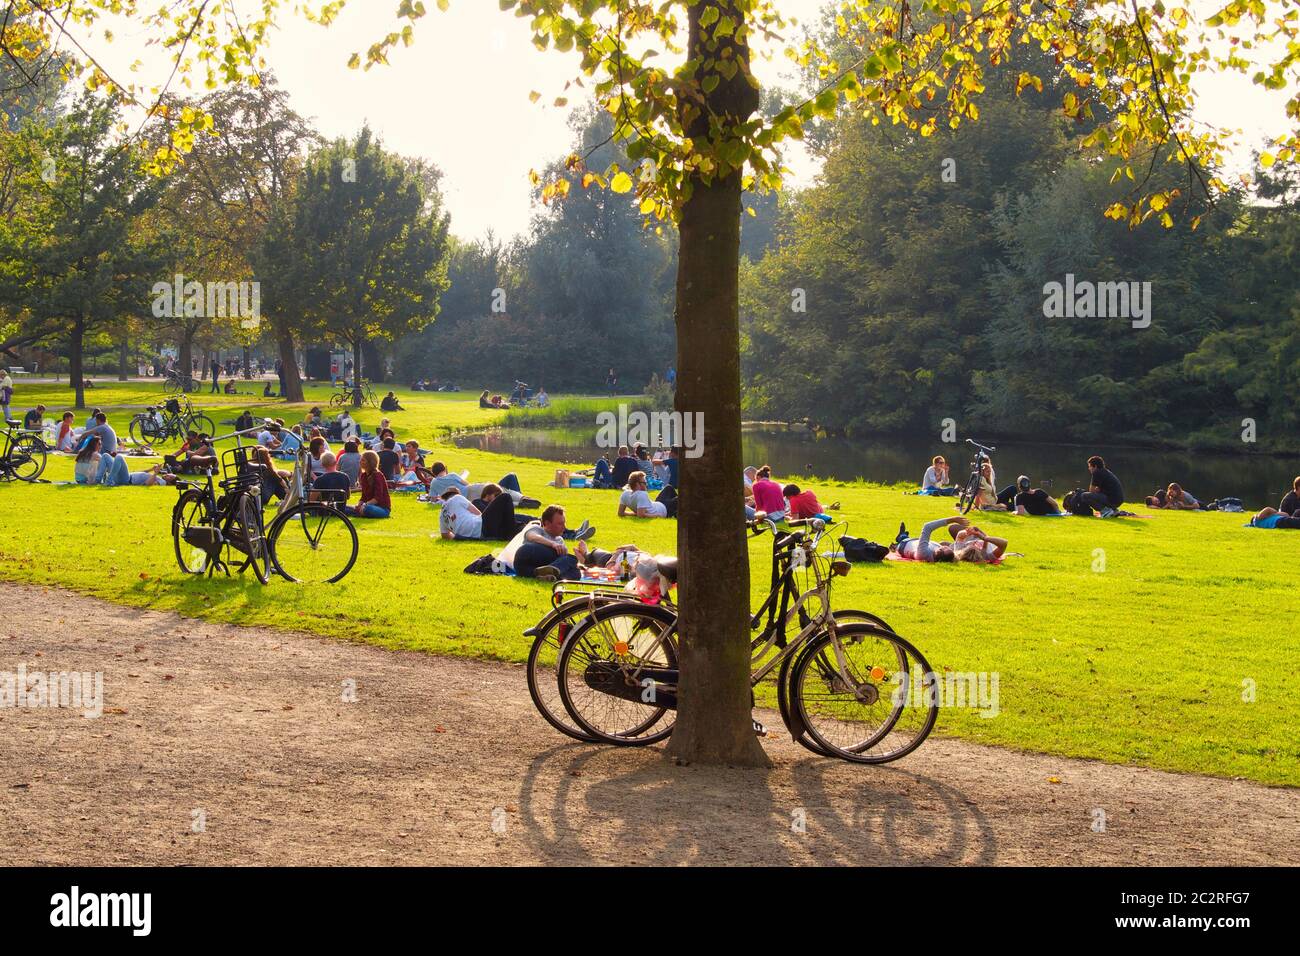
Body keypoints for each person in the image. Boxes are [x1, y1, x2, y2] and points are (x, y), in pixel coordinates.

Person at [499, 506, 587, 581]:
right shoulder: (537, 528)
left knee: (576, 572)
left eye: (564, 523)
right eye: (560, 523)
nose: (564, 527)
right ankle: (550, 571)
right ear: (547, 523)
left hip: (530, 570)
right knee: (570, 558)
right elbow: (532, 536)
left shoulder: (560, 540)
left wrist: (582, 557)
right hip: (526, 556)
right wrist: (553, 544)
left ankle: (545, 575)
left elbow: (564, 562)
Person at [892, 516, 970, 562]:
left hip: (904, 544)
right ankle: (902, 536)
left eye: (943, 548)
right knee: (943, 542)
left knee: (903, 539)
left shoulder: (923, 553)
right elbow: (957, 552)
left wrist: (952, 519)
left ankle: (899, 539)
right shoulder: (940, 555)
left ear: (939, 551)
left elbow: (927, 527)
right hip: (916, 543)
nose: (943, 547)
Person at [352, 450, 391, 518]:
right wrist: (359, 504)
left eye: (363, 460)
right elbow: (364, 496)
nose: (360, 462)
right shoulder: (363, 476)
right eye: (360, 460)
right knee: (346, 507)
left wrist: (364, 505)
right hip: (367, 505)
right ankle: (360, 511)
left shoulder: (378, 475)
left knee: (368, 509)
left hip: (381, 508)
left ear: (370, 462)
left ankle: (362, 512)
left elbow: (377, 498)